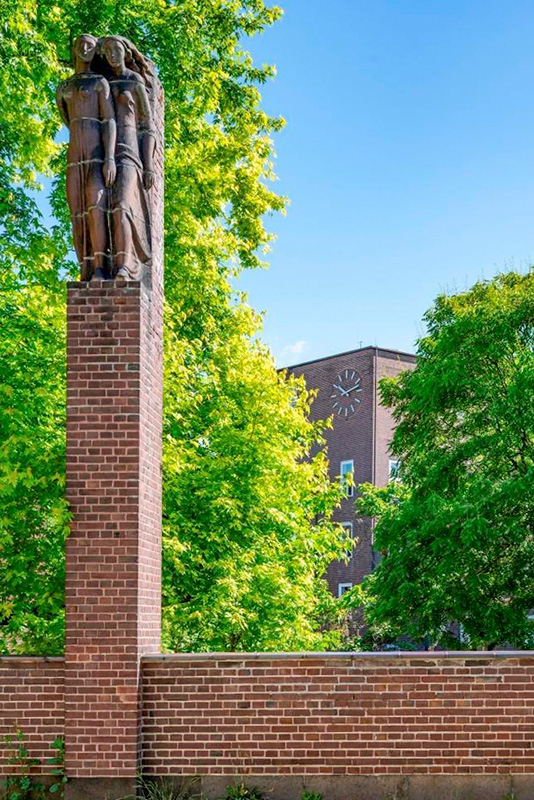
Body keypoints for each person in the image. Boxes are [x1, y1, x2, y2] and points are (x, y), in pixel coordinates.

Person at [56, 34, 116, 280]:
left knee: (96, 207)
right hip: (74, 157)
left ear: (95, 52)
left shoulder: (100, 82)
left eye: (90, 46)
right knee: (77, 211)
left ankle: (100, 265)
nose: (84, 48)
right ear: (74, 49)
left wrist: (110, 157)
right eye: (80, 44)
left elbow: (109, 120)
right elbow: (67, 120)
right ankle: (84, 265)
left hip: (95, 156)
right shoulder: (64, 87)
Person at [99, 36, 155, 280]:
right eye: (107, 51)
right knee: (103, 209)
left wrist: (149, 164)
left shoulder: (134, 81)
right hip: (100, 153)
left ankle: (125, 264)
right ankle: (101, 264)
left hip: (129, 152)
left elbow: (147, 125)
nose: (112, 55)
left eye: (116, 50)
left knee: (121, 205)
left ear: (125, 52)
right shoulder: (102, 82)